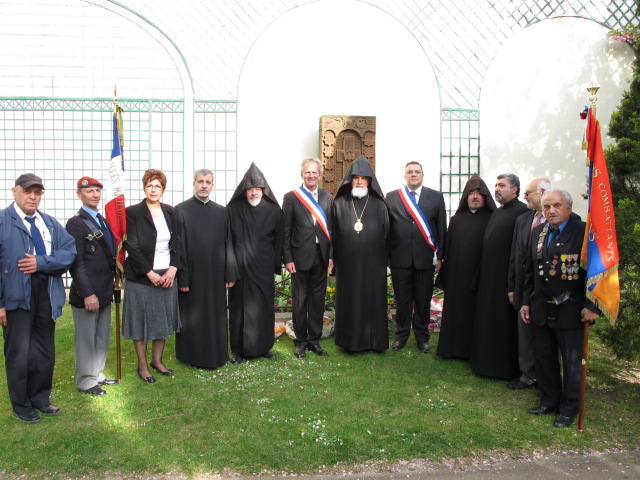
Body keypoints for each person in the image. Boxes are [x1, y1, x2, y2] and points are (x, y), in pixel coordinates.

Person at [0, 173, 76, 423]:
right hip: (15, 296)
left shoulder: (49, 223)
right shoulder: (2, 221)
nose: (32, 197)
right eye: (27, 191)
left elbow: (69, 251)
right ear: (14, 191)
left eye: (37, 192)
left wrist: (41, 262)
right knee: (19, 353)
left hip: (46, 293)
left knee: (44, 351)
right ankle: (21, 405)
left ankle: (41, 399)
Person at [520, 189, 599, 428]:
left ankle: (569, 408)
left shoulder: (584, 233)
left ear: (568, 208)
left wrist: (591, 305)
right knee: (544, 358)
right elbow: (530, 272)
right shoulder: (538, 233)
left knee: (572, 361)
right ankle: (549, 400)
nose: (551, 211)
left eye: (556, 205)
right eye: (546, 207)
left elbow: (595, 273)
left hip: (571, 308)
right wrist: (526, 301)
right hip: (542, 306)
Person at [175, 169, 238, 369]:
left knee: (215, 314)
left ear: (212, 185)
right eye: (200, 181)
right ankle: (191, 356)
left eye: (208, 182)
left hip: (215, 274)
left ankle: (217, 354)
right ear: (194, 184)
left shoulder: (221, 211)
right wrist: (182, 277)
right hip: (192, 275)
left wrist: (230, 272)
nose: (204, 185)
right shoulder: (181, 210)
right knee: (192, 316)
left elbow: (228, 243)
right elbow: (178, 246)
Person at [122, 169, 181, 383]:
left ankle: (157, 361)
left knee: (162, 320)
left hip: (167, 275)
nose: (153, 189)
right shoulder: (133, 212)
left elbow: (180, 244)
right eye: (149, 185)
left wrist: (173, 269)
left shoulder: (172, 213)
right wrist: (149, 273)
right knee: (140, 321)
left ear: (163, 189)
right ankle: (142, 365)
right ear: (144, 188)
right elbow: (133, 247)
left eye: (157, 186)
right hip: (141, 277)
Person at [469, 173, 529, 379]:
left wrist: (512, 283)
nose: (496, 189)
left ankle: (503, 368)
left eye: (501, 185)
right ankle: (483, 363)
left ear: (515, 189)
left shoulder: (523, 213)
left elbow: (520, 252)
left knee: (503, 326)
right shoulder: (498, 212)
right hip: (489, 278)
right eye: (496, 185)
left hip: (506, 280)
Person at [385, 161, 446, 353]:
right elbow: (387, 230)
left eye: (417, 172)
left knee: (422, 300)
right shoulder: (392, 197)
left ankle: (422, 338)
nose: (413, 174)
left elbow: (441, 228)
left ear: (422, 175)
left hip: (424, 259)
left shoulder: (435, 197)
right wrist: (387, 256)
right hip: (399, 259)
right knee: (402, 301)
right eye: (410, 172)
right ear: (405, 176)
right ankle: (401, 336)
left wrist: (441, 256)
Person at [331, 155, 389, 352]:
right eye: (356, 178)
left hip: (374, 265)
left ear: (369, 181)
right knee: (349, 301)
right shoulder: (338, 204)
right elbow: (332, 234)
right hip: (347, 265)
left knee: (373, 300)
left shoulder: (380, 205)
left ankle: (374, 341)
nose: (359, 181)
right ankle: (349, 341)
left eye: (363, 178)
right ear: (350, 180)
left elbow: (387, 235)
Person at [66, 176, 118, 397]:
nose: (95, 195)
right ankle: (85, 381)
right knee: (87, 338)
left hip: (104, 289)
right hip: (88, 292)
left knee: (101, 336)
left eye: (98, 191)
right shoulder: (76, 223)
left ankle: (96, 374)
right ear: (80, 194)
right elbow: (76, 262)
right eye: (89, 192)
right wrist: (87, 293)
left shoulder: (102, 221)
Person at [227, 163, 283, 364]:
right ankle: (238, 350)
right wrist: (229, 270)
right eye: (249, 189)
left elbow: (278, 241)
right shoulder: (233, 209)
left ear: (263, 190)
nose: (253, 193)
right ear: (244, 190)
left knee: (264, 308)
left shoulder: (274, 211)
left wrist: (275, 266)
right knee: (239, 310)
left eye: (257, 189)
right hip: (240, 270)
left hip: (263, 269)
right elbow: (226, 242)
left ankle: (264, 347)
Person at [436, 174, 496, 360]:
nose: (475, 196)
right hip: (457, 277)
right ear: (465, 197)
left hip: (481, 276)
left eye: (479, 193)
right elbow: (446, 248)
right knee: (457, 313)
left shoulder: (492, 219)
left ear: (485, 197)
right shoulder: (457, 219)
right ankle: (452, 349)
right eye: (471, 193)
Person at [283, 158, 333, 358]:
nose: (311, 176)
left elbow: (331, 230)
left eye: (314, 172)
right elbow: (286, 230)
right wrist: (287, 258)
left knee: (317, 301)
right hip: (299, 258)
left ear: (320, 175)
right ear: (302, 174)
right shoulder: (292, 197)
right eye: (307, 172)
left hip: (321, 257)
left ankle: (314, 340)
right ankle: (300, 341)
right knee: (300, 301)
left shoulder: (328, 198)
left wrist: (331, 255)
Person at [506, 177, 552, 390]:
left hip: (548, 288)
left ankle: (548, 376)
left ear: (542, 192)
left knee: (548, 335)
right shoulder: (523, 220)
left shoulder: (562, 219)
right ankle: (527, 374)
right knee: (525, 330)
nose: (525, 196)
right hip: (524, 286)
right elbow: (516, 255)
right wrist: (512, 286)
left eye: (529, 192)